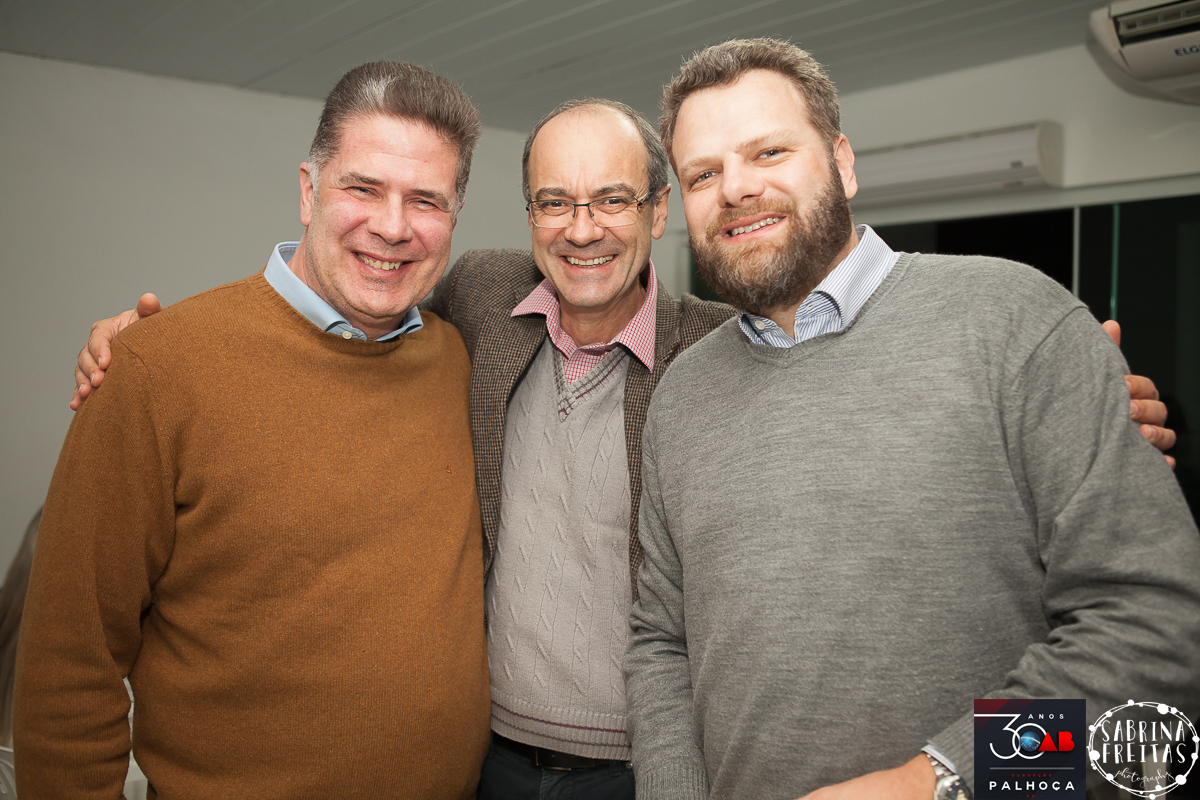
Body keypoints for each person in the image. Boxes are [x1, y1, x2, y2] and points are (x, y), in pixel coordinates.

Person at [68, 96, 1175, 800]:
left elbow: (1158, 683)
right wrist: (157, 346)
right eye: (554, 200)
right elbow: (350, 292)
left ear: (657, 215)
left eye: (614, 197)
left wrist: (1081, 400)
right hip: (494, 761)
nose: (581, 226)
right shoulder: (474, 302)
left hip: (645, 763)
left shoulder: (726, 353)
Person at [624, 37, 1200, 800]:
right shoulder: (684, 395)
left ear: (843, 162)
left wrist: (935, 782)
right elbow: (662, 644)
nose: (735, 188)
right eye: (704, 173)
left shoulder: (1015, 320)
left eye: (768, 152)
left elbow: (1160, 635)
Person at [16, 61, 490, 800]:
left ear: (453, 220)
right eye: (362, 188)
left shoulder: (461, 362)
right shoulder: (151, 370)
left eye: (425, 200)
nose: (393, 226)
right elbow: (68, 666)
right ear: (308, 190)